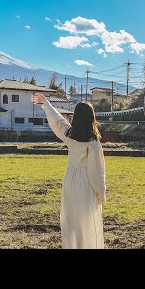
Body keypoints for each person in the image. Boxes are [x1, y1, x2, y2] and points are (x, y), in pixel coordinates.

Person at [31, 93, 106, 249]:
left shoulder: (69, 135)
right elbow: (96, 170)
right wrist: (101, 192)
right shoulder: (93, 143)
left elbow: (58, 121)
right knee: (86, 221)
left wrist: (45, 102)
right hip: (85, 183)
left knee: (72, 220)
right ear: (91, 118)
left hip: (70, 180)